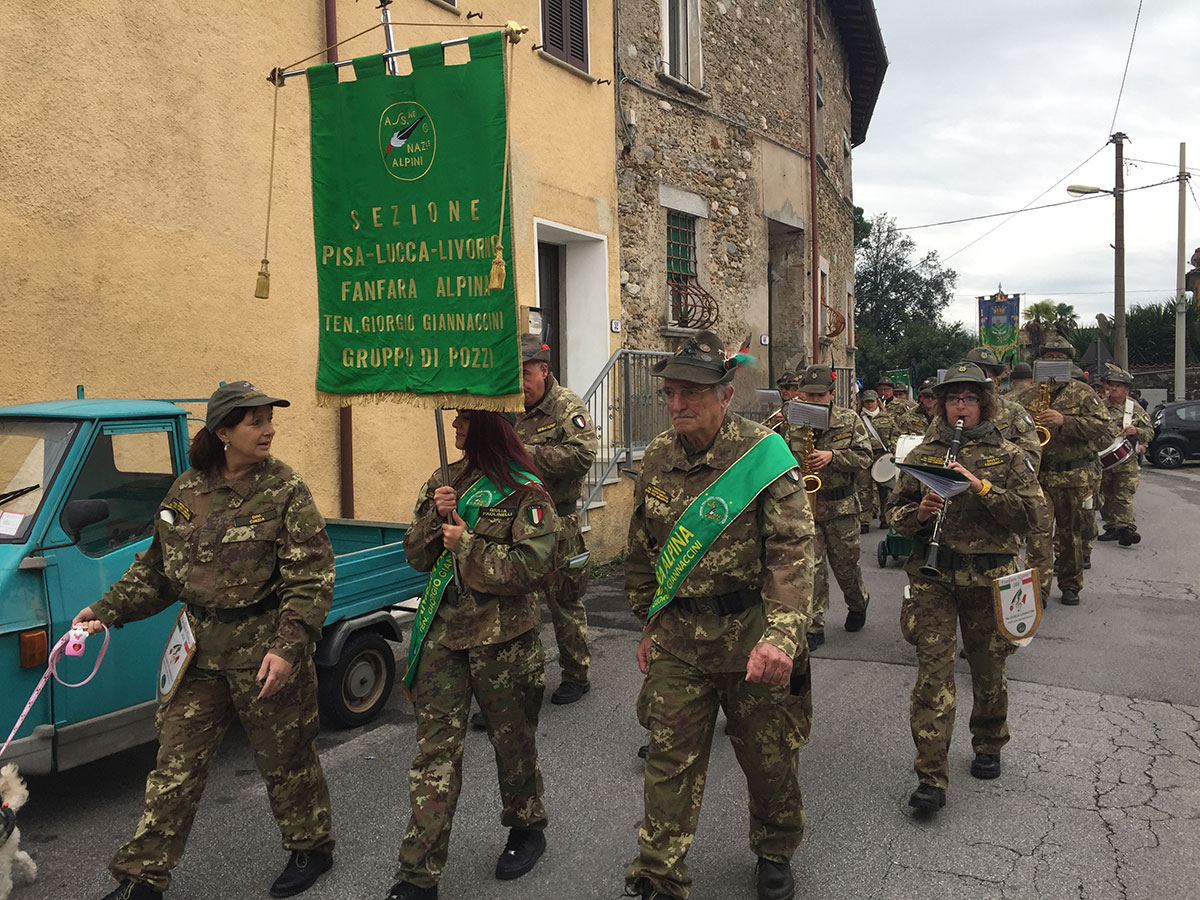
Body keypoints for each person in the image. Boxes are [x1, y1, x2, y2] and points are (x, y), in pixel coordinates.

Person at [74, 382, 337, 900]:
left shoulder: (285, 489)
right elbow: (156, 571)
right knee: (175, 764)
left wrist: (286, 648)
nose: (268, 430)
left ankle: (311, 846)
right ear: (222, 432)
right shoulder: (187, 490)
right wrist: (105, 611)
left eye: (268, 419)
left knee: (285, 760)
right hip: (197, 649)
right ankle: (142, 878)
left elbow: (311, 578)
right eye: (255, 421)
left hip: (263, 647)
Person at [625, 331, 815, 900]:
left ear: (725, 395)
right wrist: (649, 621)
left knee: (767, 757)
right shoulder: (658, 455)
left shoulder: (763, 456)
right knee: (668, 758)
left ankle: (775, 847)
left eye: (692, 394)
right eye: (671, 393)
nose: (679, 404)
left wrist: (782, 637)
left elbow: (791, 550)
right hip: (680, 636)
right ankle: (659, 872)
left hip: (751, 633)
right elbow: (643, 548)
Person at [390, 409, 558, 899]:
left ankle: (526, 827)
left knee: (513, 742)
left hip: (503, 640)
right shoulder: (442, 481)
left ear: (488, 426)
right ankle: (417, 875)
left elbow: (531, 570)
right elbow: (416, 555)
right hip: (444, 636)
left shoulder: (525, 490)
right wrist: (432, 519)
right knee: (435, 754)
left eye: (464, 421)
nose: (455, 429)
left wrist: (466, 545)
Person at [885, 363, 1041, 814]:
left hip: (989, 577)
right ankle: (931, 776)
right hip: (935, 579)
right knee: (932, 678)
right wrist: (917, 514)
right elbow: (894, 513)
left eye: (969, 398)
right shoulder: (923, 454)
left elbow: (1032, 517)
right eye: (953, 398)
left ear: (984, 403)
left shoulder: (1009, 455)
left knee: (988, 669)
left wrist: (982, 487)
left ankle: (989, 740)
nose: (961, 406)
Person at [515, 333, 599, 704]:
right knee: (519, 606)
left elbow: (582, 457)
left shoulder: (567, 406)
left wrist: (524, 453)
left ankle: (576, 675)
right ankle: (524, 683)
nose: (520, 383)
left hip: (558, 523)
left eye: (525, 374)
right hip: (517, 526)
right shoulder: (508, 406)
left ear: (543, 370)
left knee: (564, 602)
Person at [1010, 335, 1115, 605]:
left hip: (1075, 477)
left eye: (1060, 358)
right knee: (1038, 536)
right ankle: (1038, 591)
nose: (1054, 361)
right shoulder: (1028, 394)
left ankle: (1070, 585)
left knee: (1071, 535)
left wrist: (1064, 421)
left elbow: (1104, 427)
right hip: (1040, 476)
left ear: (1069, 362)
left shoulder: (1084, 393)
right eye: (1049, 357)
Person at [789, 365, 873, 650]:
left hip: (842, 507)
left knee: (846, 566)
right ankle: (814, 625)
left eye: (820, 397)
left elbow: (865, 457)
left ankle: (858, 602)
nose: (814, 402)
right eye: (809, 396)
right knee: (811, 569)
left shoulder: (849, 420)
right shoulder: (794, 420)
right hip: (807, 507)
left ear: (831, 394)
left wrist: (833, 456)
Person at [1096, 365, 1153, 546]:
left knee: (1124, 493)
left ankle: (1127, 529)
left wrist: (1136, 430)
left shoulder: (1134, 408)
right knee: (1105, 494)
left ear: (1126, 389)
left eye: (1118, 385)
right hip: (1101, 459)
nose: (1113, 388)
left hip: (1125, 459)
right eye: (1111, 385)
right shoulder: (1098, 406)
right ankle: (1112, 527)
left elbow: (1149, 432)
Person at [855, 389, 896, 534]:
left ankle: (885, 517)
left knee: (884, 489)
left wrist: (893, 450)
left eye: (872, 401)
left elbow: (895, 434)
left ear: (877, 401)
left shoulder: (887, 417)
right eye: (867, 401)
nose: (870, 404)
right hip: (865, 455)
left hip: (882, 455)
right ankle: (865, 520)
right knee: (864, 489)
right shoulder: (857, 419)